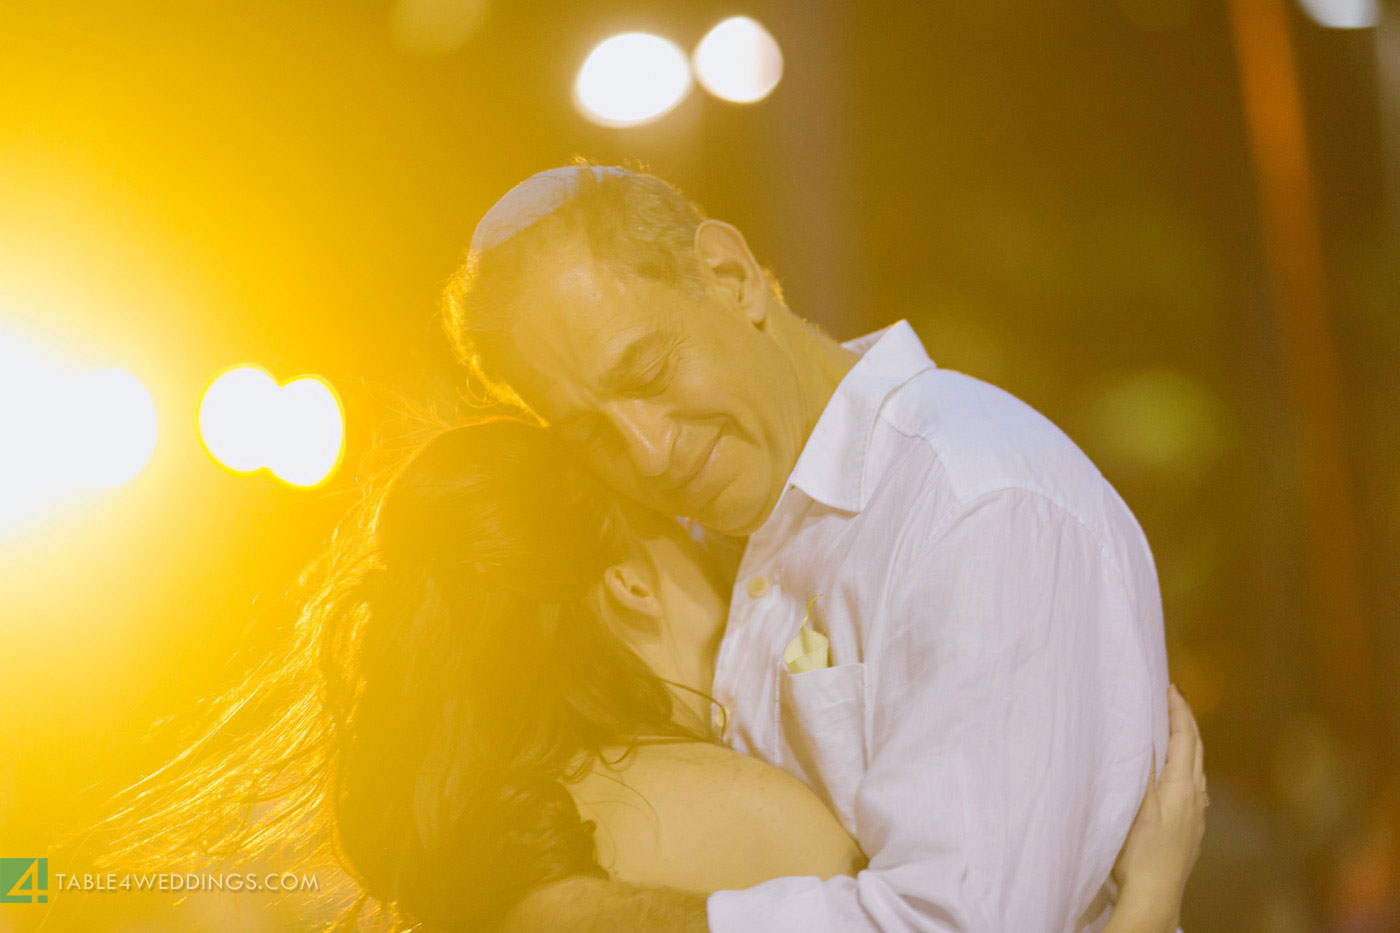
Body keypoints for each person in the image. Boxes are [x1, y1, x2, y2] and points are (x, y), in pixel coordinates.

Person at [440, 163, 1186, 931]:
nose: (648, 450)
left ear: (730, 278)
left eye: (651, 371)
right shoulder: (702, 548)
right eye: (590, 433)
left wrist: (588, 920)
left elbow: (957, 924)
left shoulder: (973, 503)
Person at [97, 418, 1203, 933]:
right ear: (626, 580)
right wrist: (1146, 902)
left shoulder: (451, 828)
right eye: (681, 534)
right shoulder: (741, 820)